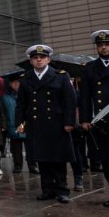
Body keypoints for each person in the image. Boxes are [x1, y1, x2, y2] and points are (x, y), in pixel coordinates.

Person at [15, 45, 76, 204]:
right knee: (42, 158)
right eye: (35, 58)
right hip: (36, 123)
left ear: (48, 59)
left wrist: (69, 122)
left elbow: (69, 101)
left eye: (42, 57)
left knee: (58, 158)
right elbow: (21, 104)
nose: (39, 60)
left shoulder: (60, 76)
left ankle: (62, 190)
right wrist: (20, 123)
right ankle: (47, 189)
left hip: (57, 123)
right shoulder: (26, 78)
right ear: (31, 60)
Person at [79, 29, 109, 206]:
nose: (103, 47)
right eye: (100, 45)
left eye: (107, 44)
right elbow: (84, 97)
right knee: (108, 160)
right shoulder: (89, 68)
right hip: (100, 122)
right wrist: (84, 119)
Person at [1, 75, 36, 174]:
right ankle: (18, 166)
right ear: (9, 84)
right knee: (16, 148)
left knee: (30, 147)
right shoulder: (4, 97)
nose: (16, 84)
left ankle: (32, 165)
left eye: (18, 82)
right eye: (13, 82)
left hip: (27, 124)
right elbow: (3, 112)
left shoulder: (28, 95)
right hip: (12, 125)